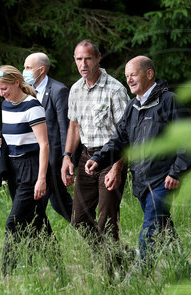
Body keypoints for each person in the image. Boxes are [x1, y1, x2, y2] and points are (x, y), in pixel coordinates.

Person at [84, 56, 191, 262]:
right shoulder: (133, 106)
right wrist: (98, 159)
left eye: (133, 75)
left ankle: (139, 278)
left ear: (149, 74)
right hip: (142, 182)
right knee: (164, 228)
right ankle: (181, 267)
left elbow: (187, 139)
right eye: (127, 76)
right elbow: (119, 140)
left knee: (149, 231)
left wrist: (177, 171)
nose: (129, 80)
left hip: (163, 181)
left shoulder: (169, 101)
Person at [0, 65, 60, 276]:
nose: (2, 93)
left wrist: (41, 180)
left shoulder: (33, 106)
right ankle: (60, 273)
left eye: (5, 89)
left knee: (13, 223)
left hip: (32, 168)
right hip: (14, 168)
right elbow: (16, 136)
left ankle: (5, 274)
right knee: (38, 222)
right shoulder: (6, 105)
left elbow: (44, 145)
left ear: (17, 83)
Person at [61, 40, 129, 250]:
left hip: (111, 157)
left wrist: (118, 167)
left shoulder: (115, 89)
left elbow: (127, 133)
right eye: (79, 59)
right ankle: (121, 257)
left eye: (88, 58)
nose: (83, 64)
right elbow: (74, 126)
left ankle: (112, 276)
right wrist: (67, 157)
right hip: (86, 157)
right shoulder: (76, 89)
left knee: (107, 221)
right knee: (79, 220)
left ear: (98, 58)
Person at [23, 52, 73, 223]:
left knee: (57, 204)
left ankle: (97, 239)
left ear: (41, 69)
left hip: (53, 160)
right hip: (34, 158)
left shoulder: (58, 90)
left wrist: (66, 157)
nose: (24, 71)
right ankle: (96, 238)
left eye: (28, 67)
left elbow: (65, 128)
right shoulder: (26, 92)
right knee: (55, 205)